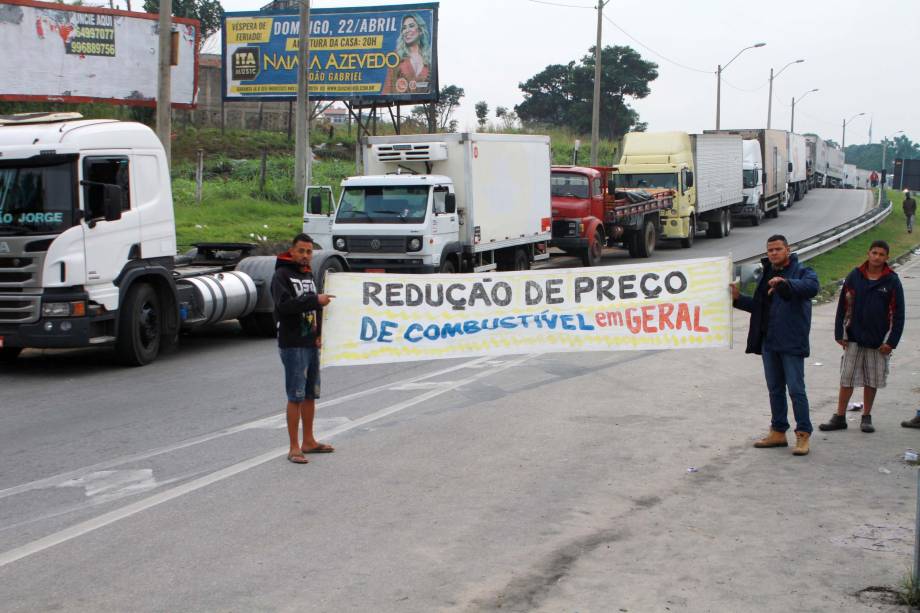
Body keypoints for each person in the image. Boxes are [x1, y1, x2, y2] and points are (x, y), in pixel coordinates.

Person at [731, 235, 819, 456]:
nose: (773, 253)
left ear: (788, 250)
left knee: (796, 390)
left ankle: (803, 435)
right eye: (770, 250)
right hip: (769, 341)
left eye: (778, 249)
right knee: (775, 389)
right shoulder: (767, 273)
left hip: (791, 341)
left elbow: (811, 287)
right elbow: (758, 307)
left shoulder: (802, 271)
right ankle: (778, 431)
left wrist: (785, 284)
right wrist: (737, 298)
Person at [819, 241, 905, 433]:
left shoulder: (892, 281)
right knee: (846, 378)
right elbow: (843, 305)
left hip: (878, 341)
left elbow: (898, 314)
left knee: (871, 380)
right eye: (874, 253)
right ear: (868, 253)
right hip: (854, 337)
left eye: (881, 254)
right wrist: (839, 333)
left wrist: (891, 342)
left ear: (887, 258)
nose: (877, 257)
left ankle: (866, 417)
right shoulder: (855, 276)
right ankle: (839, 417)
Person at [271, 233, 335, 464]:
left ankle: (309, 440)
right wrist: (315, 300)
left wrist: (318, 334)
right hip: (292, 343)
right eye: (301, 251)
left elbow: (315, 306)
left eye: (309, 252)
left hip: (309, 341)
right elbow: (285, 306)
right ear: (292, 251)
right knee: (295, 396)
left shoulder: (308, 275)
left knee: (310, 395)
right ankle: (293, 447)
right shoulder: (281, 275)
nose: (305, 256)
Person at [381, 13, 432, 95]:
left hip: (422, 105)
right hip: (397, 106)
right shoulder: (396, 57)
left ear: (420, 30)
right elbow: (386, 91)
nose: (407, 30)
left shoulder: (429, 57)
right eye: (404, 28)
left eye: (411, 26)